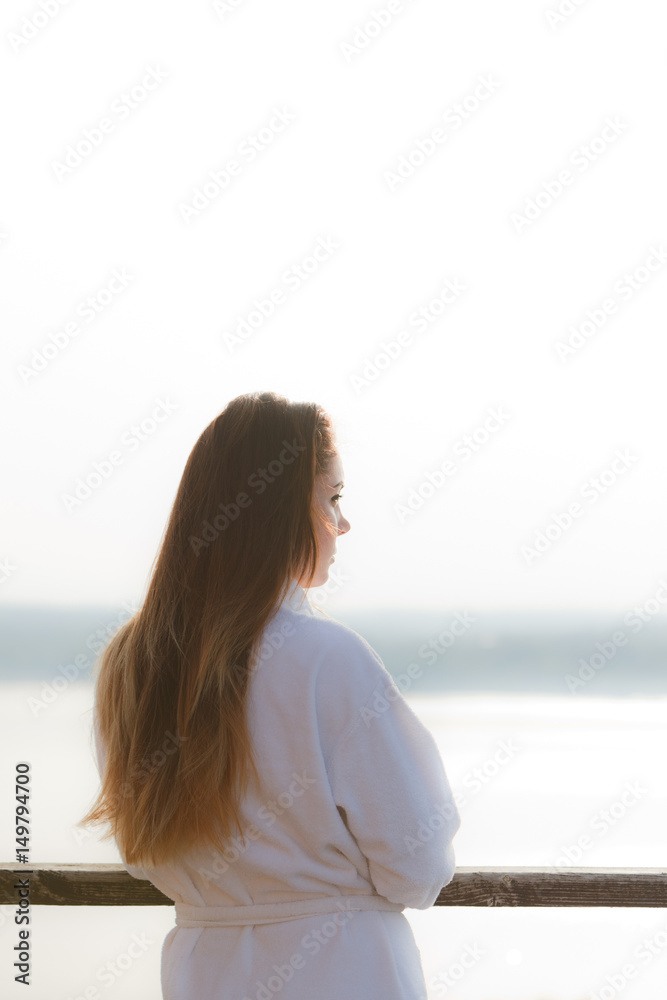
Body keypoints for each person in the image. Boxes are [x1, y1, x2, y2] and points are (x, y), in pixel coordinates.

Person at [79, 390, 461, 1000]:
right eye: (333, 498)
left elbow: (144, 847)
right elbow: (418, 865)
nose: (344, 523)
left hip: (205, 972)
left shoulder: (133, 665)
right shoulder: (327, 659)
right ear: (281, 511)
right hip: (343, 973)